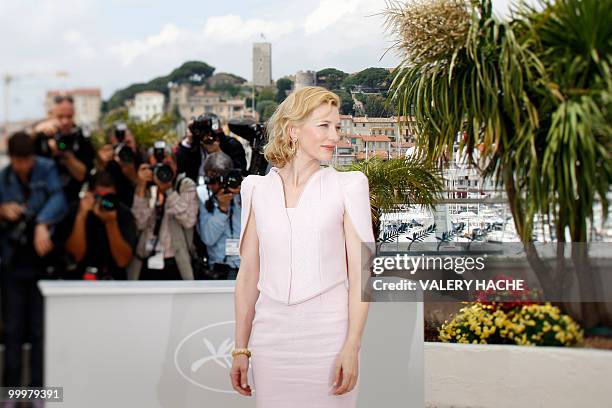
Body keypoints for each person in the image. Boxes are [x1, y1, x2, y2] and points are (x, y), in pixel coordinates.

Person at [230, 86, 375, 407]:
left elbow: (363, 278)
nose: (334, 136)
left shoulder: (350, 186)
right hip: (271, 340)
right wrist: (241, 348)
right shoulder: (256, 189)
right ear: (293, 130)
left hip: (329, 338)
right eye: (324, 125)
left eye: (337, 127)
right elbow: (248, 277)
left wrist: (352, 346)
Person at [0, 131, 67, 401]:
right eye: (18, 161)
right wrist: (2, 210)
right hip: (12, 262)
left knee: (41, 331)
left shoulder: (47, 168)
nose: (23, 167)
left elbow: (60, 200)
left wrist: (42, 223)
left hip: (42, 263)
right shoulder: (3, 177)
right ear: (11, 158)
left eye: (27, 160)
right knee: (13, 330)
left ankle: (40, 393)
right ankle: (11, 394)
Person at [128, 141, 199, 280]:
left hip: (175, 262)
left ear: (175, 165)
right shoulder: (147, 188)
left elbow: (188, 221)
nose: (162, 170)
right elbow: (139, 223)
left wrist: (168, 191)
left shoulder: (185, 185)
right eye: (157, 166)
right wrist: (141, 186)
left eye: (167, 164)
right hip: (146, 259)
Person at [55, 170, 138, 280]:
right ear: (89, 193)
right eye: (99, 197)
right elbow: (74, 256)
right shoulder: (74, 210)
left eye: (109, 197)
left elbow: (122, 261)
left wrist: (110, 222)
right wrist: (81, 216)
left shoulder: (123, 213)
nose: (104, 202)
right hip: (78, 277)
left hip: (112, 278)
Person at [32, 95, 96, 204]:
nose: (65, 122)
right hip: (42, 199)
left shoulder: (81, 138)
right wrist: (36, 132)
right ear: (51, 115)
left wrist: (65, 155)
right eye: (60, 117)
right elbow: (20, 154)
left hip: (71, 200)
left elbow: (82, 175)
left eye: (69, 117)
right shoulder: (40, 134)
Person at [197, 152, 242, 280]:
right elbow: (208, 238)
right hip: (220, 268)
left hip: (246, 267)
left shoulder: (245, 194)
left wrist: (243, 194)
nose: (210, 185)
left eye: (213, 180)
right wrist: (222, 209)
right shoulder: (204, 197)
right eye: (208, 180)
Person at [176, 113, 247, 183]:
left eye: (212, 134)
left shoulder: (231, 145)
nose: (209, 138)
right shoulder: (195, 147)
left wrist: (219, 153)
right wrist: (188, 141)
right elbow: (179, 167)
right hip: (196, 187)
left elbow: (239, 172)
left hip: (224, 187)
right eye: (204, 134)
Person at [95, 123, 142, 207]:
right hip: (113, 208)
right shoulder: (109, 164)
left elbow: (147, 198)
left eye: (128, 143)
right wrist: (101, 165)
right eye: (119, 145)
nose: (124, 149)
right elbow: (98, 198)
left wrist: (133, 177)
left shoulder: (143, 160)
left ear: (135, 142)